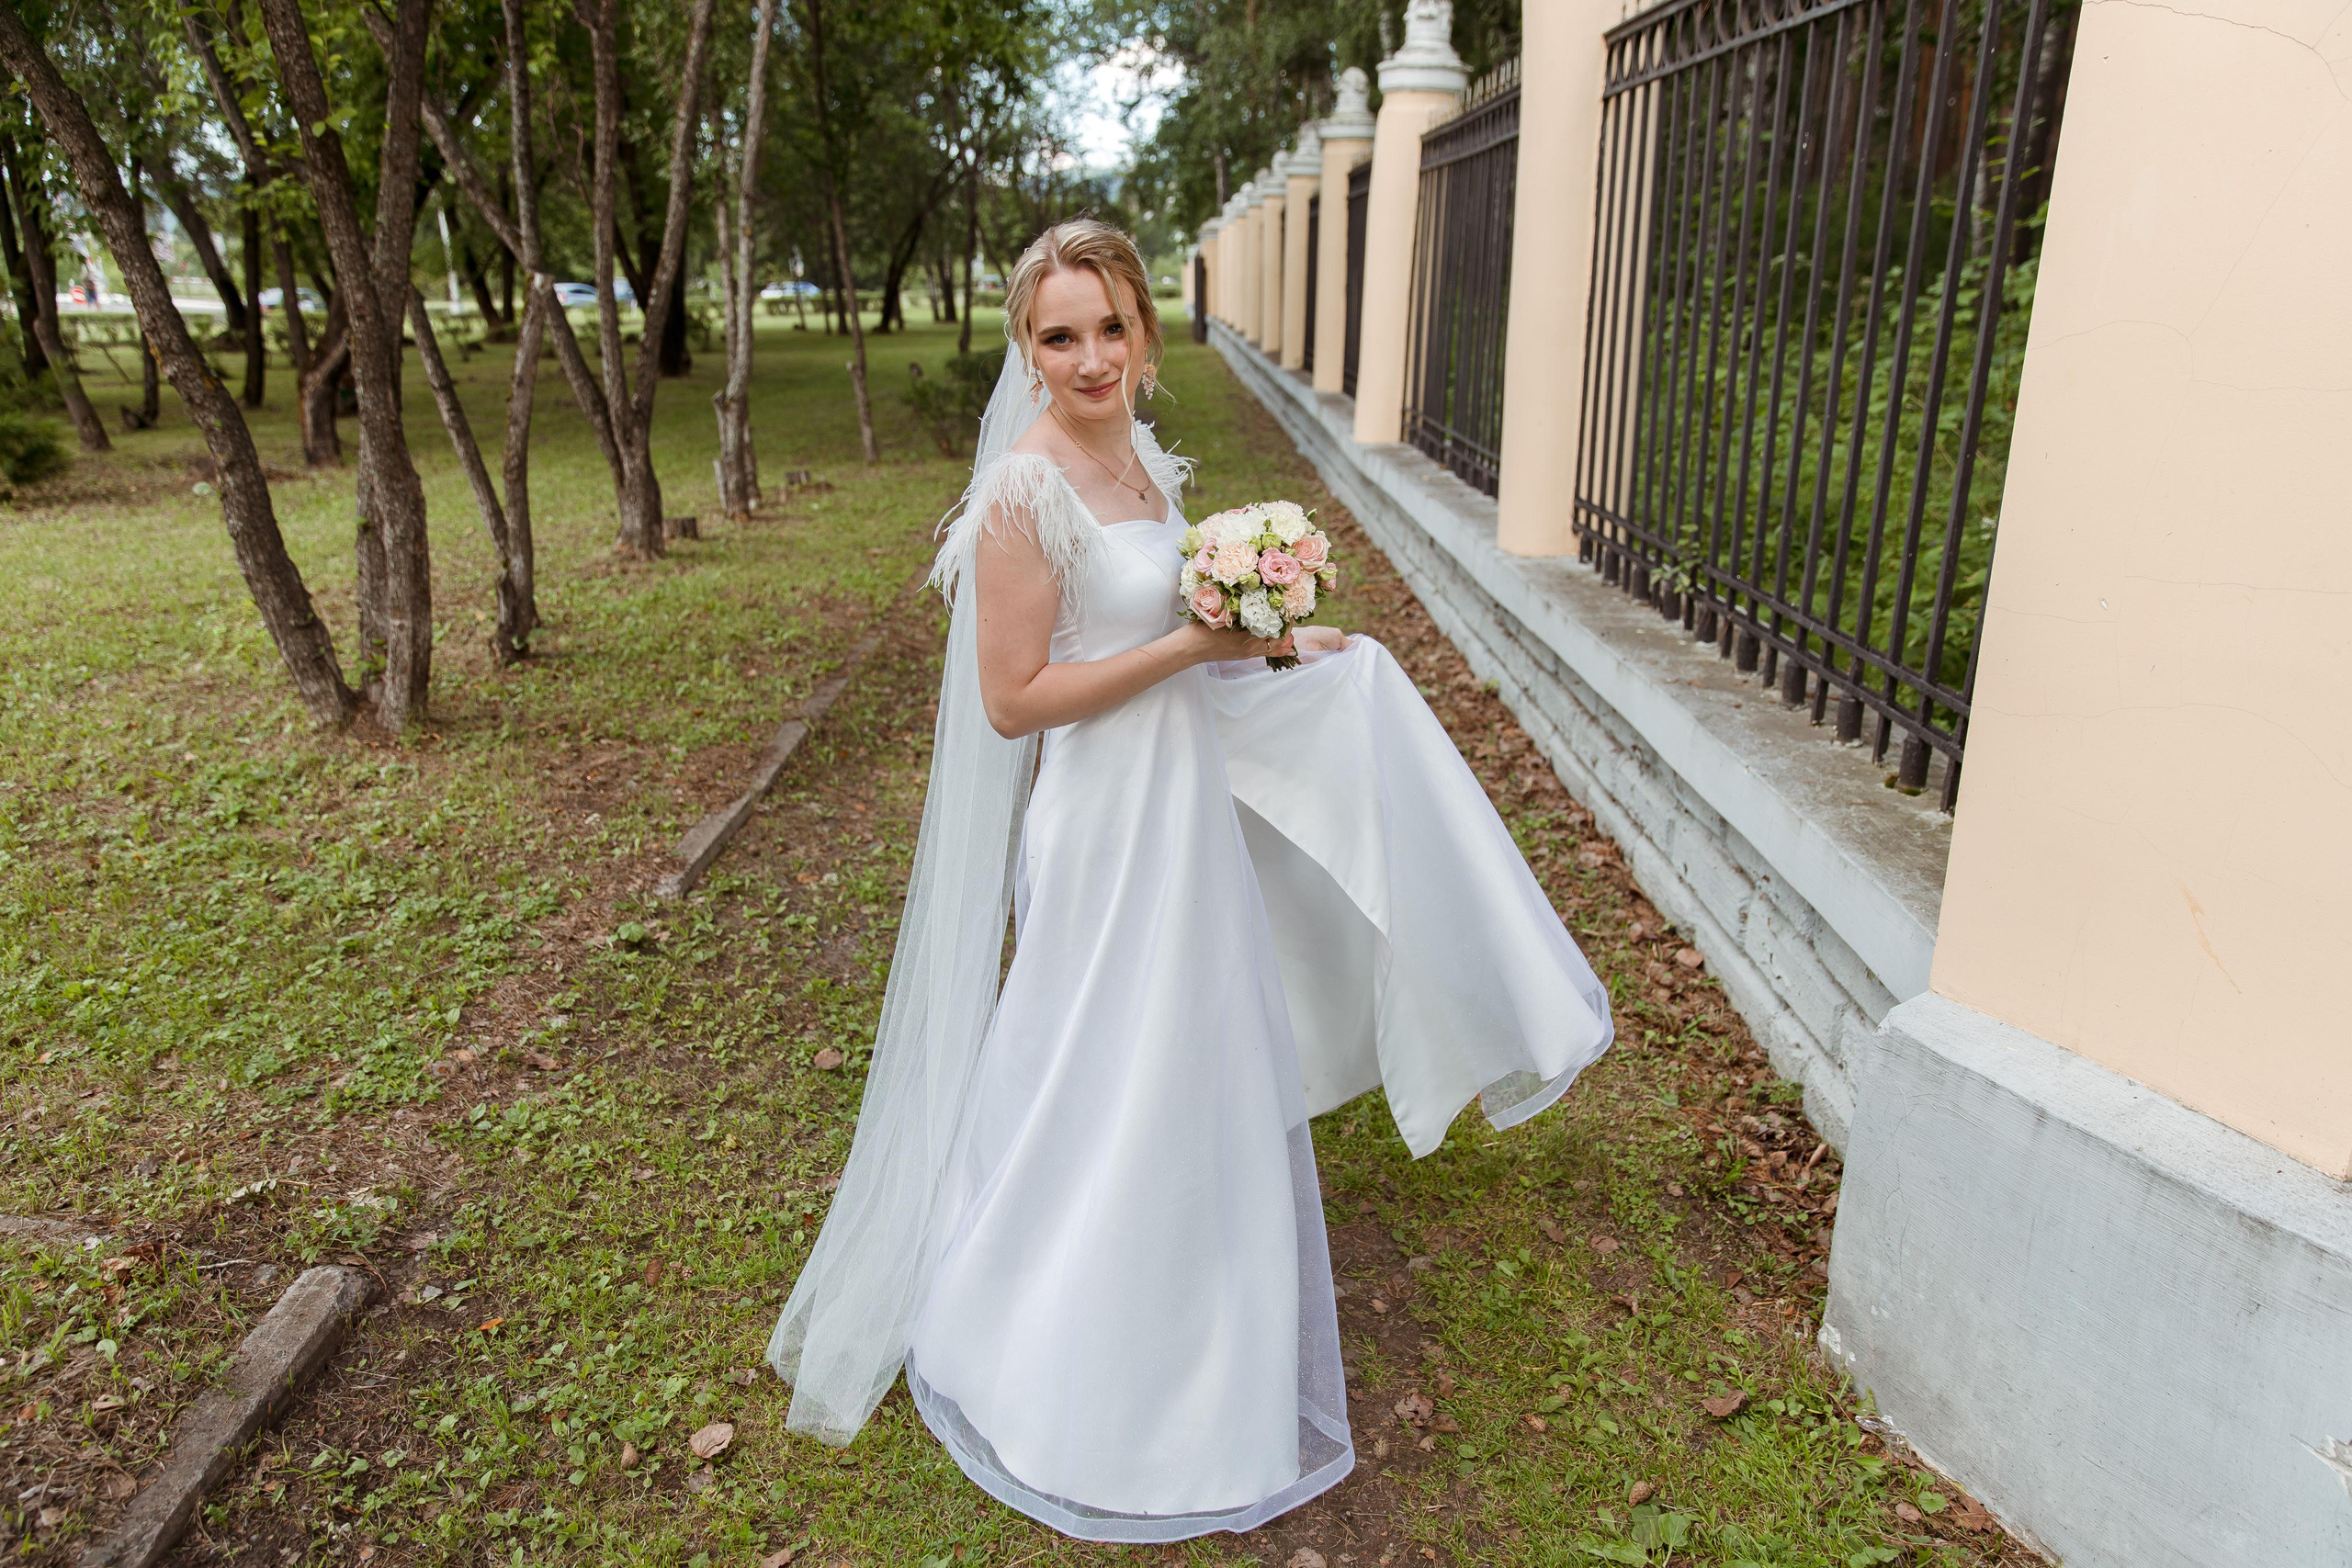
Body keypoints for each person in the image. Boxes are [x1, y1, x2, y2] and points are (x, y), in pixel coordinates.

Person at [767, 219, 1613, 1543]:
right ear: (1025, 347)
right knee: (1098, 1067)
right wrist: (1189, 646)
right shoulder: (1022, 495)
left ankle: (1196, 1319)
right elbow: (1015, 702)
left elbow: (1177, 625)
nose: (1091, 358)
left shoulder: (1141, 455)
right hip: (1105, 829)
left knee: (1190, 1060)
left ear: (1144, 329)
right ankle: (1045, 1331)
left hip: (1182, 817)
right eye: (1060, 335)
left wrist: (1278, 643)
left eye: (1109, 326)